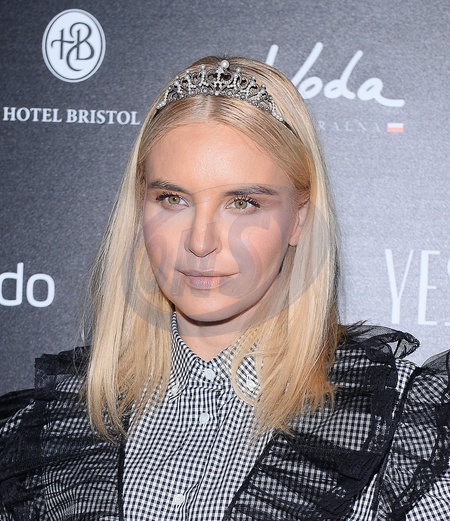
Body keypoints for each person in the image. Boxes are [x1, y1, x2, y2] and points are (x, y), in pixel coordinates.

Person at [0, 56, 449, 520]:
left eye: (243, 203)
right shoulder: (39, 434)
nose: (200, 242)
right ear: (140, 208)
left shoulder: (399, 429)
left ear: (299, 217)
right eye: (172, 199)